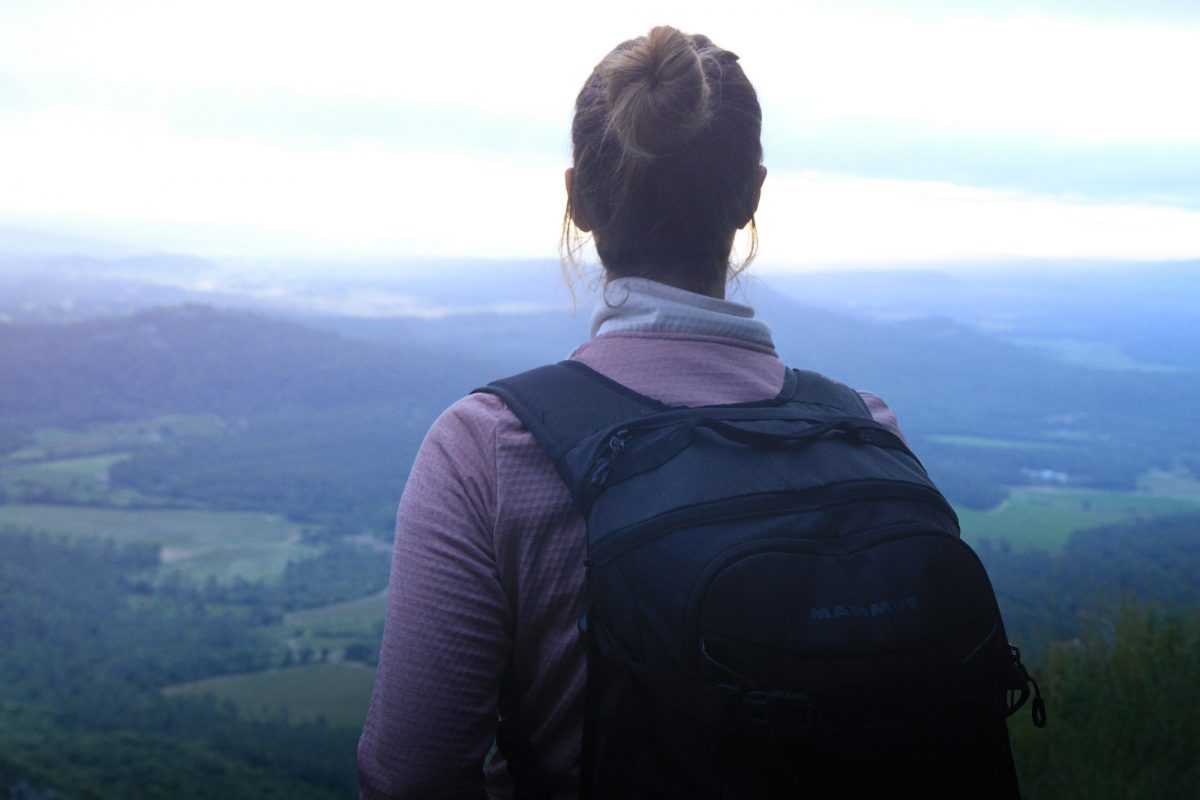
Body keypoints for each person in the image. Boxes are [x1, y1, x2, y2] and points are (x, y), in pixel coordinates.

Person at [357, 25, 904, 799]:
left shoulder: (488, 450)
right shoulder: (871, 432)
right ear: (752, 194)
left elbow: (408, 779)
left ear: (577, 201)